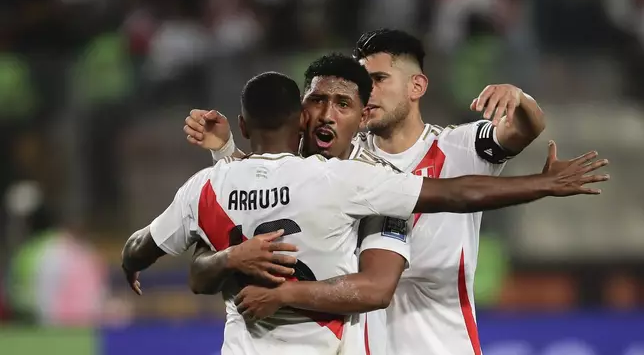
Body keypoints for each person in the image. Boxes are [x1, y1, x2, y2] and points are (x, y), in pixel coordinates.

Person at [133, 69, 607, 355]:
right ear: (302, 115)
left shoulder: (368, 182)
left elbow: (379, 287)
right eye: (317, 102)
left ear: (362, 117)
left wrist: (280, 290)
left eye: (342, 103)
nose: (326, 115)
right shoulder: (346, 183)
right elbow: (256, 203)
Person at [183, 29, 549, 355]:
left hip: (438, 343)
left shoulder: (458, 146)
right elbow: (264, 185)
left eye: (378, 79)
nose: (368, 91)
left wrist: (519, 98)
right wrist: (226, 151)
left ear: (416, 86)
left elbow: (523, 130)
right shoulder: (344, 162)